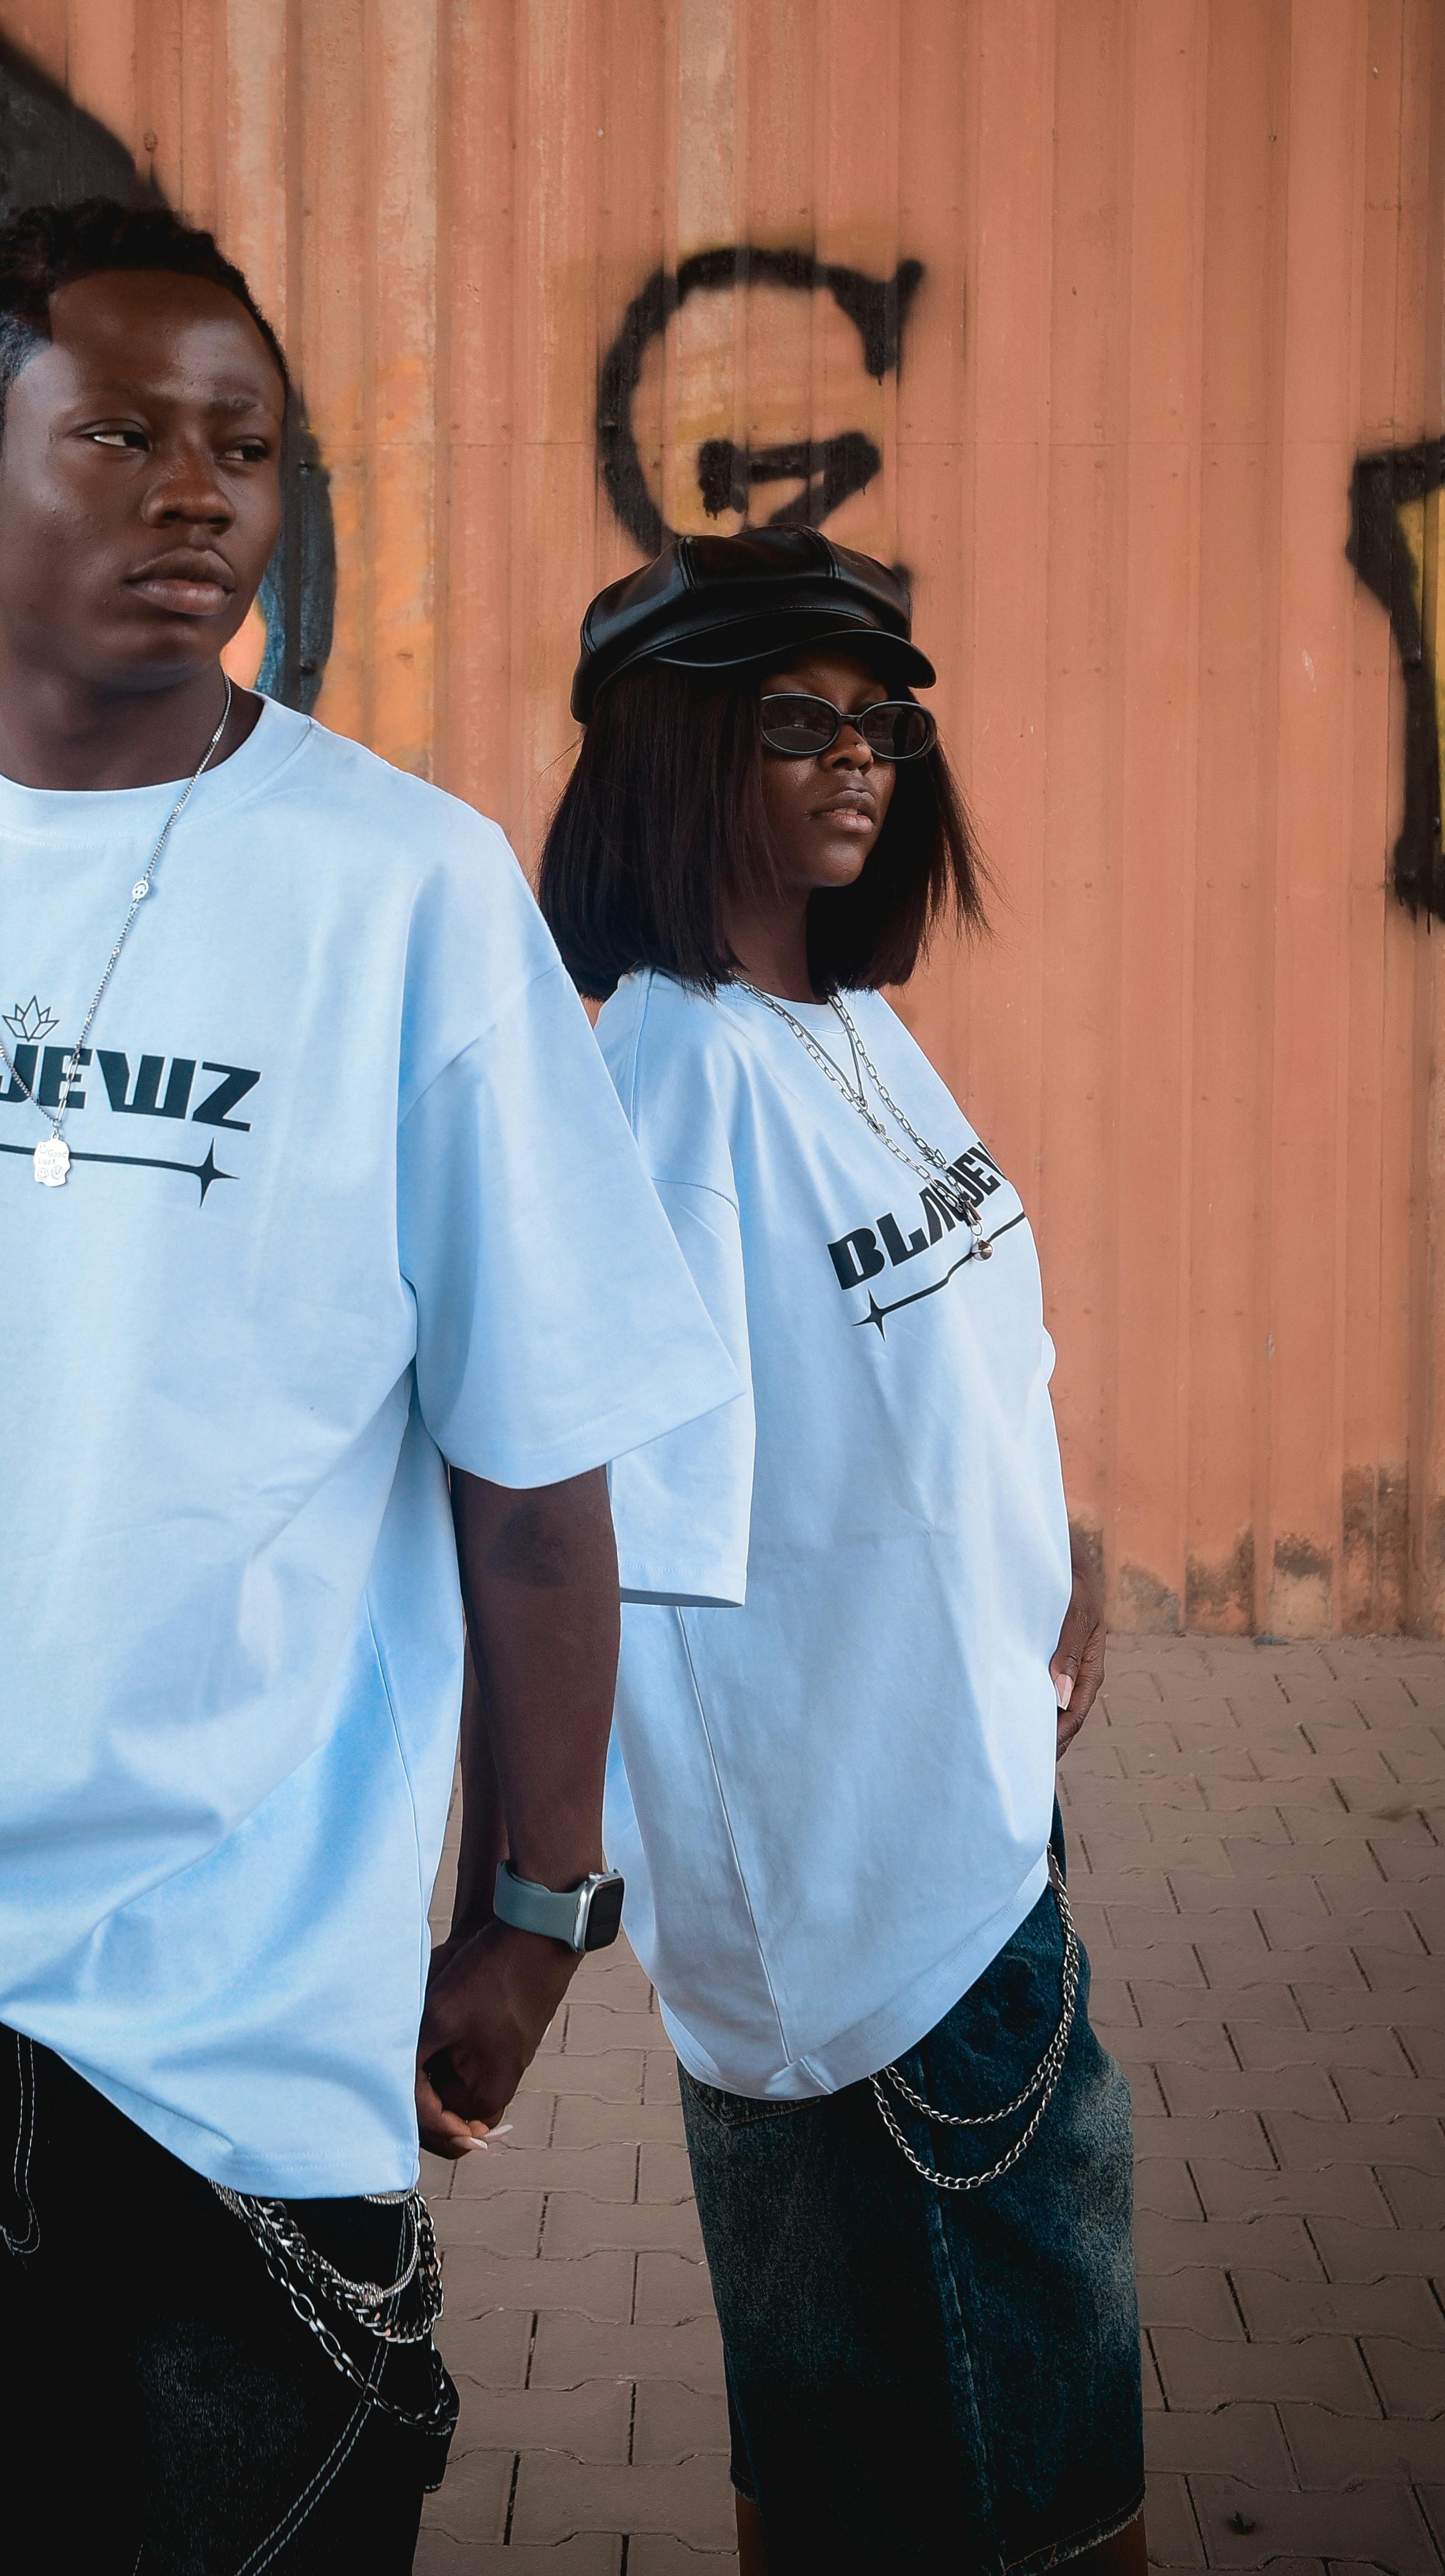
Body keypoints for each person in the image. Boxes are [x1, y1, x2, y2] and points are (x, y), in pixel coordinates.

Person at [0, 198, 736, 2573]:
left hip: (253, 2005)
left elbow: (535, 1483)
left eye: (244, 442)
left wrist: (532, 1902)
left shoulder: (404, 898)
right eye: (119, 431)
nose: (199, 491)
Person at [505, 525, 1145, 2573]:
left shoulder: (847, 1023)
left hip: (967, 1837)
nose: (860, 758)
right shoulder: (678, 1077)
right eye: (800, 723)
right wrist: (551, 1898)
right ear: (679, 748)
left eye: (883, 722)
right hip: (874, 1936)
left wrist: (1063, 1529)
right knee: (1046, 2517)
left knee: (855, 2484)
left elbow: (959, 1340)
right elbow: (630, 1551)